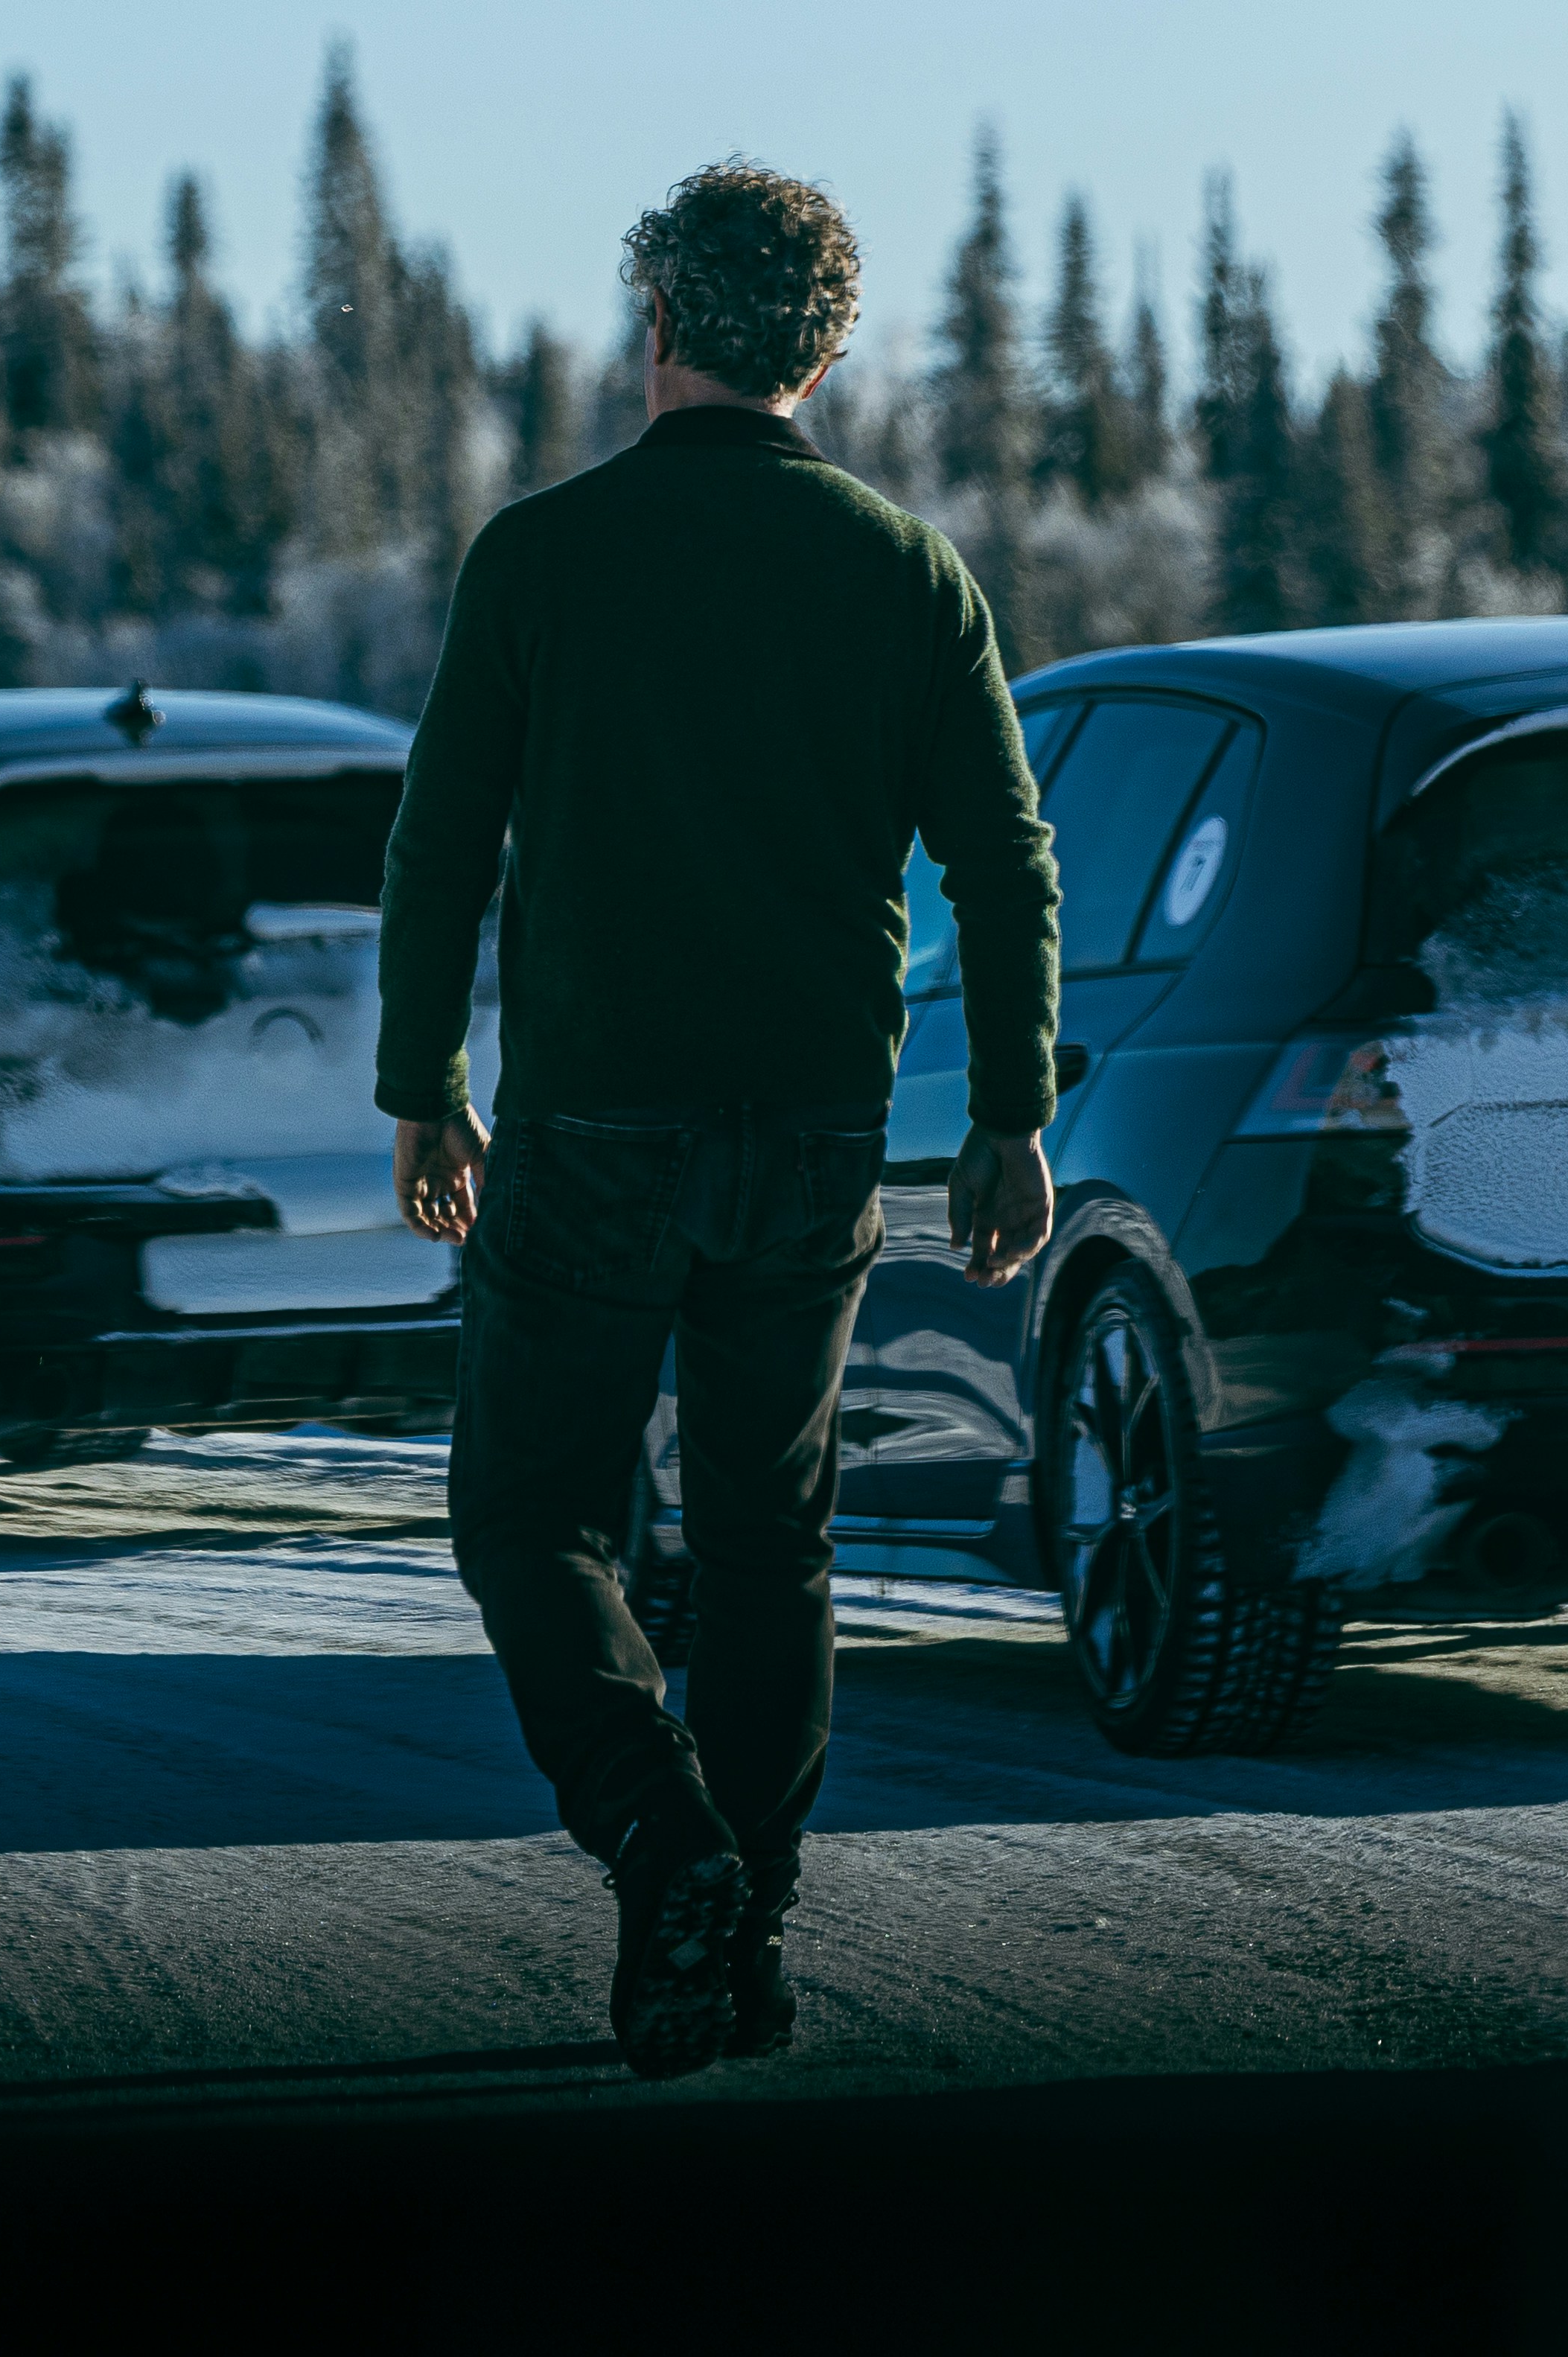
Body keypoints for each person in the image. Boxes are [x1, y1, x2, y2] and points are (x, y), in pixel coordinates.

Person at [373, 163, 1064, 2080]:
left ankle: (659, 1841)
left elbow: (438, 851)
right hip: (814, 1132)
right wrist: (1008, 1110)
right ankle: (731, 1931)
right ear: (827, 351)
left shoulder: (540, 558)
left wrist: (422, 1084)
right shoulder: (904, 569)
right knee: (768, 1543)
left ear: (653, 327)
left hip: (590, 1125)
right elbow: (1002, 862)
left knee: (527, 1510)